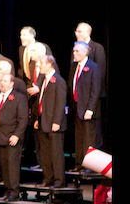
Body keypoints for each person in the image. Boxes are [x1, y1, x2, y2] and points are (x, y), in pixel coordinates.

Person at [0, 74, 28, 202]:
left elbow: (23, 119)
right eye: (1, 81)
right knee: (4, 166)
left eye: (5, 81)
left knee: (12, 166)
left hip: (12, 137)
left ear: (11, 84)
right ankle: (7, 190)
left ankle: (14, 192)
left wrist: (16, 135)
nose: (2, 83)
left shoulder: (19, 98)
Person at [34, 55, 68, 188]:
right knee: (45, 153)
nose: (39, 66)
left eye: (41, 63)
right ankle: (48, 178)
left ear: (50, 64)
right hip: (44, 122)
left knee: (56, 154)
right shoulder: (43, 79)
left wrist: (57, 121)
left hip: (54, 124)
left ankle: (59, 180)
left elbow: (60, 103)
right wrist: (38, 118)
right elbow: (41, 101)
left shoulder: (58, 81)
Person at [68, 41, 102, 172]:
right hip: (77, 107)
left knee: (89, 138)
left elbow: (95, 90)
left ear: (85, 52)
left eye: (77, 51)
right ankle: (79, 163)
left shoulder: (93, 67)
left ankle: (90, 166)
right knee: (79, 137)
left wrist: (90, 109)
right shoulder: (74, 66)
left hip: (88, 109)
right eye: (74, 51)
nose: (74, 54)